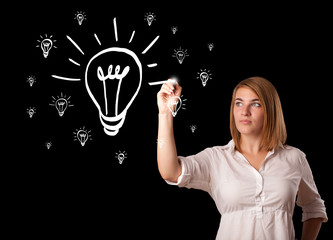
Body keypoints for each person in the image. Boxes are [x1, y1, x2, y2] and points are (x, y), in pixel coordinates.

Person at [156, 76, 327, 240]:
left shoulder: (294, 158)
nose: (244, 112)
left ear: (270, 110)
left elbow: (314, 207)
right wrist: (165, 114)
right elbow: (170, 171)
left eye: (256, 104)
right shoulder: (216, 158)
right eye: (239, 103)